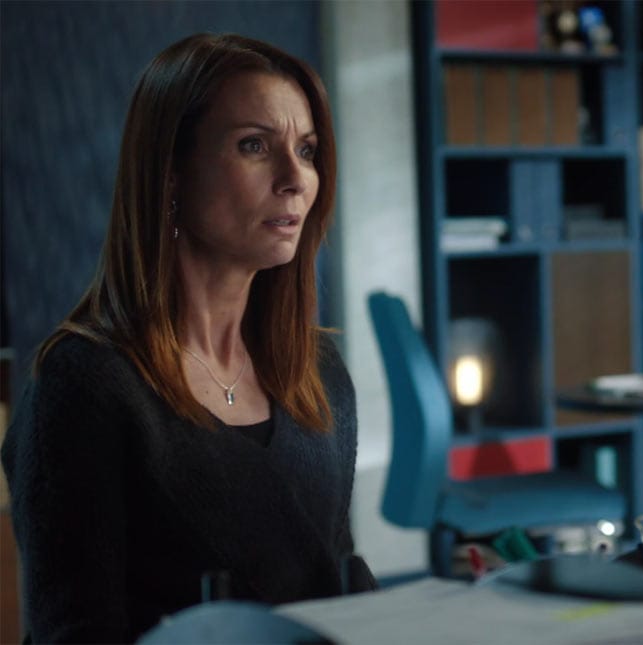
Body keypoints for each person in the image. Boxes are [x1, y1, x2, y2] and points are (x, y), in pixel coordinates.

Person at [1, 33, 376, 641]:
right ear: (171, 171)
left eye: (307, 150)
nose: (295, 179)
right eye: (254, 145)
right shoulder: (84, 386)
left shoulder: (320, 371)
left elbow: (341, 587)